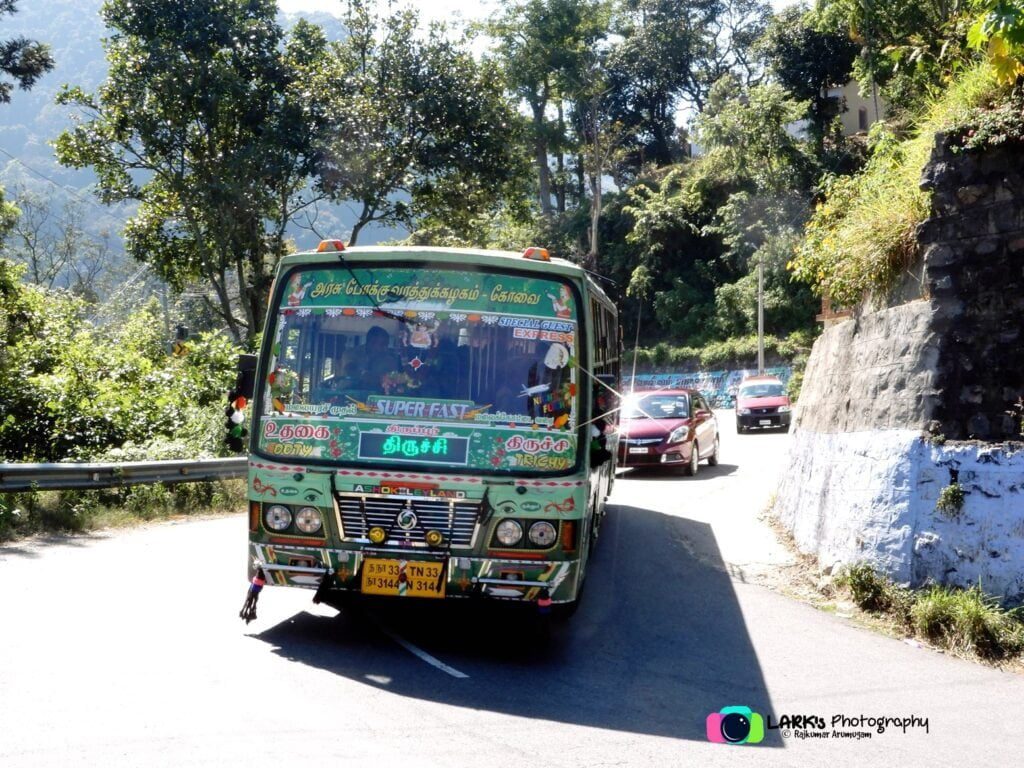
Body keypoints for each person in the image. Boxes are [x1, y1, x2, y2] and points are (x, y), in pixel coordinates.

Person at [356, 325, 402, 390]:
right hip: (348, 392)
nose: (385, 349)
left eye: (387, 345)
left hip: (378, 393)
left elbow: (394, 381)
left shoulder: (390, 361)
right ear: (371, 343)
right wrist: (379, 378)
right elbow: (350, 370)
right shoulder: (353, 354)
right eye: (383, 344)